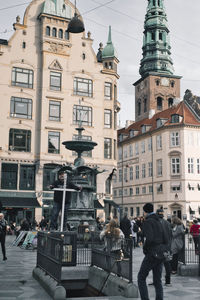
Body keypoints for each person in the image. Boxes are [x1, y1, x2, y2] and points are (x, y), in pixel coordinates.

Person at [138, 203, 168, 300]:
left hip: (152, 253)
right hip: (161, 253)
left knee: (141, 277)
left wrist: (145, 249)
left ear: (145, 212)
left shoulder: (148, 222)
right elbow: (166, 238)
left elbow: (149, 238)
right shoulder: (159, 221)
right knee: (157, 280)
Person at [156, 209, 172, 286]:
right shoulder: (167, 223)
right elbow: (170, 235)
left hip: (158, 247)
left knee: (156, 264)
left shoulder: (155, 222)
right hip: (166, 246)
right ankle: (168, 281)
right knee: (167, 263)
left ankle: (156, 280)